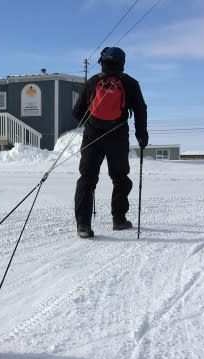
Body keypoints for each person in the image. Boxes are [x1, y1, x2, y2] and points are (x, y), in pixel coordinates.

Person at [72, 46, 148, 238]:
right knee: (120, 177)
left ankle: (83, 225)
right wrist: (142, 134)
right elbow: (140, 109)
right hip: (118, 136)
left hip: (92, 136)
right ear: (122, 63)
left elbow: (76, 113)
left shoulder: (92, 82)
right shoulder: (130, 83)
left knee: (87, 179)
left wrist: (92, 121)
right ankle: (119, 220)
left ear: (102, 62)